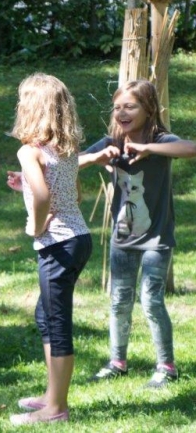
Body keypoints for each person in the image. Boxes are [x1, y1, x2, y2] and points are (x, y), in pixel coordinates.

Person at [78, 80, 196, 389]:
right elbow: (71, 164)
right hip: (122, 238)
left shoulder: (161, 140)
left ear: (149, 109)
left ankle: (166, 366)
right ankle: (117, 362)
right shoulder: (112, 141)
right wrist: (96, 158)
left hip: (157, 239)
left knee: (151, 300)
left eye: (130, 107)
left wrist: (147, 148)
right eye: (117, 107)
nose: (122, 113)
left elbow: (190, 148)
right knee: (119, 300)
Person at [5, 73, 92, 426]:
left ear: (30, 109)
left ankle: (56, 409)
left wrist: (36, 226)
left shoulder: (29, 151)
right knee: (45, 316)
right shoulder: (65, 151)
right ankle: (51, 394)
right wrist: (24, 185)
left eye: (22, 100)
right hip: (79, 239)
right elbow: (74, 193)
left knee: (56, 325)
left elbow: (43, 196)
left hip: (58, 244)